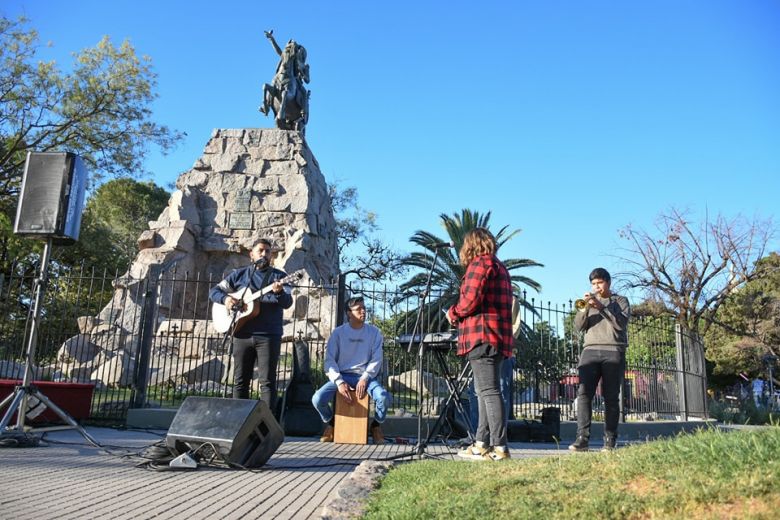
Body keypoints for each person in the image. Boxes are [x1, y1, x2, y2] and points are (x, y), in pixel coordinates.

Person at [447, 228, 514, 461]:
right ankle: (481, 444)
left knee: (489, 390)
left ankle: (499, 447)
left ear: (472, 244)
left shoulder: (479, 264)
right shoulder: (499, 265)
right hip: (497, 336)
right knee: (484, 390)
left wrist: (453, 312)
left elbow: (470, 301)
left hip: (482, 335)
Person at [209, 239, 293, 409]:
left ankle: (266, 427)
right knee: (240, 382)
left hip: (268, 335)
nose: (264, 254)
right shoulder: (239, 275)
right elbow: (214, 292)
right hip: (242, 333)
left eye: (268, 251)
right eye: (261, 250)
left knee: (267, 383)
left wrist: (279, 293)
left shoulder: (280, 277)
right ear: (251, 254)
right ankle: (239, 424)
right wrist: (226, 299)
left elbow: (287, 303)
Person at [311, 296, 390, 444]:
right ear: (349, 313)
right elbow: (329, 361)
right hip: (343, 375)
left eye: (364, 308)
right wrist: (339, 382)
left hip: (366, 377)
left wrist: (365, 378)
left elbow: (376, 359)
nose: (363, 311)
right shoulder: (338, 333)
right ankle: (332, 424)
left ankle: (375, 426)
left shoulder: (374, 333)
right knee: (317, 399)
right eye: (359, 309)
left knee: (383, 397)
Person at [569, 267, 630, 452]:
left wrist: (601, 307)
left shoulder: (620, 301)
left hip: (614, 351)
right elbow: (578, 327)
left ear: (608, 282)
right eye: (594, 284)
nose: (597, 287)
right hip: (590, 351)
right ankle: (582, 439)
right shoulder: (587, 303)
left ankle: (610, 440)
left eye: (600, 283)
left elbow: (620, 324)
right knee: (584, 394)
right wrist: (586, 308)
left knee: (611, 397)